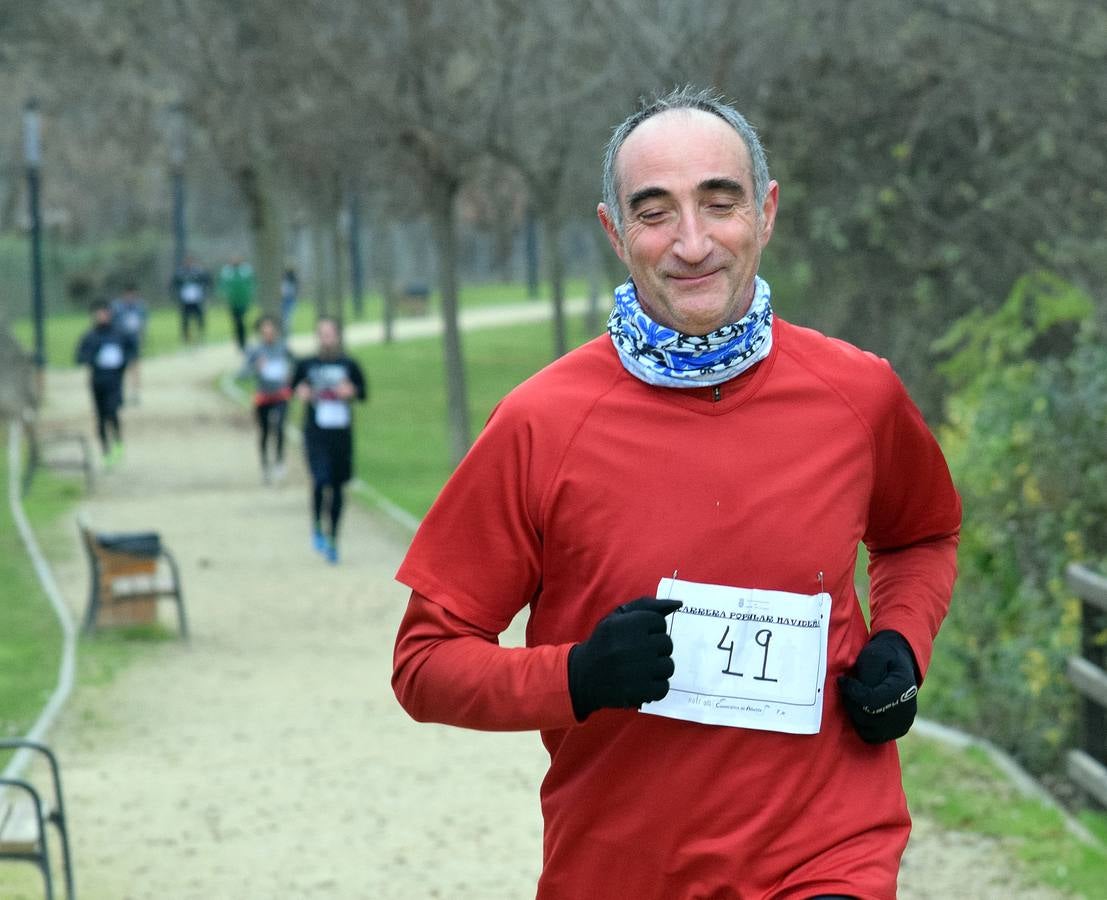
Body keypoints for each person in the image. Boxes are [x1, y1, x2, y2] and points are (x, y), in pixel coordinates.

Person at [391, 86, 961, 899]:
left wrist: (901, 644)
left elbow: (920, 535)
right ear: (613, 233)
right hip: (620, 867)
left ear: (764, 213)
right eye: (654, 212)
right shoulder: (539, 424)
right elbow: (423, 666)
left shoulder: (856, 395)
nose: (691, 243)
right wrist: (578, 675)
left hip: (828, 853)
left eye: (718, 202)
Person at [291, 317, 367, 564]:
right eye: (322, 334)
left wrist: (352, 391)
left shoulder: (349, 364)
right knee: (319, 479)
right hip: (316, 432)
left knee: (337, 486)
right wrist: (300, 392)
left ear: (338, 336)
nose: (327, 339)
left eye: (330, 334)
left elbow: (363, 392)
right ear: (317, 337)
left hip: (341, 434)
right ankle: (316, 526)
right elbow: (293, 387)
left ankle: (334, 536)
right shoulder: (306, 364)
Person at [75, 299, 137, 466]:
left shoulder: (119, 334)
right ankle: (105, 451)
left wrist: (124, 361)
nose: (102, 316)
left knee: (112, 412)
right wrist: (94, 358)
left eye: (105, 313)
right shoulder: (90, 336)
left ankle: (117, 442)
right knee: (101, 417)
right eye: (99, 313)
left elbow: (131, 351)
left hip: (114, 381)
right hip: (98, 380)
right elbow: (80, 356)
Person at [240, 313, 295, 484]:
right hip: (263, 396)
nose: (268, 333)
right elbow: (243, 373)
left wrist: (290, 376)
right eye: (265, 330)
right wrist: (256, 367)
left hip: (281, 395)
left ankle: (279, 461)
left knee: (279, 426)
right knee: (264, 431)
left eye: (271, 329)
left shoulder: (284, 349)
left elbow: (297, 366)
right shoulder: (256, 351)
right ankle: (265, 465)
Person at [110, 282, 147, 403]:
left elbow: (143, 324)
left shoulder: (140, 307)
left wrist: (142, 338)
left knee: (135, 366)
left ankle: (135, 393)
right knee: (118, 368)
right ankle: (118, 393)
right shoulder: (117, 307)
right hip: (120, 340)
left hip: (133, 340)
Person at [171, 255, 212, 344]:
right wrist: (177, 294)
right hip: (185, 299)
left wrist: (204, 291)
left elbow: (207, 281)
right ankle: (186, 336)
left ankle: (200, 334)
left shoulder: (198, 271)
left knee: (199, 317)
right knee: (185, 318)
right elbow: (174, 283)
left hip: (197, 298)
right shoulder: (180, 273)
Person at [219, 255, 256, 352]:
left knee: (241, 321)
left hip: (243, 300)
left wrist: (251, 295)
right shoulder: (227, 271)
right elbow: (222, 285)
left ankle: (243, 342)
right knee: (236, 322)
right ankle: (240, 342)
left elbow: (252, 283)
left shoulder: (246, 270)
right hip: (233, 301)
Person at [280, 266, 299, 336]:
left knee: (287, 317)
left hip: (290, 299)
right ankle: (285, 331)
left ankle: (286, 332)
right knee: (286, 316)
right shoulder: (286, 277)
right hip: (286, 299)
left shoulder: (292, 278)